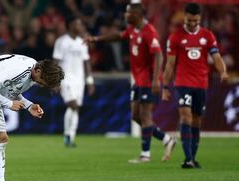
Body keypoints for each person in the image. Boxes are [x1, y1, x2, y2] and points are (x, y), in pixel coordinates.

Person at [85, 3, 176, 163]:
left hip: (148, 81)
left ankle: (145, 154)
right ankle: (167, 139)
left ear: (137, 14)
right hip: (138, 80)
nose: (126, 16)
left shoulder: (149, 32)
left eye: (128, 13)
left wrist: (156, 80)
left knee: (146, 116)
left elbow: (158, 56)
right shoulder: (132, 29)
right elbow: (118, 36)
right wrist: (96, 38)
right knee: (135, 116)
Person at [162, 3, 228, 169]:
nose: (192, 24)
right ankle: (188, 159)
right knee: (186, 116)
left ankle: (193, 156)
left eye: (195, 21)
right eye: (189, 20)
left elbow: (217, 57)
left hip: (201, 84)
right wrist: (164, 87)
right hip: (183, 83)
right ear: (184, 17)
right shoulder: (175, 37)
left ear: (200, 19)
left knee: (197, 121)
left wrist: (223, 72)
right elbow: (170, 65)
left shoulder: (208, 36)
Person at [53, 16, 95, 147]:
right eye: (78, 24)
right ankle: (68, 134)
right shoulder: (61, 42)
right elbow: (56, 62)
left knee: (75, 109)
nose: (81, 27)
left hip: (79, 80)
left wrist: (90, 81)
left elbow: (86, 62)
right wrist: (55, 80)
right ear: (70, 25)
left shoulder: (82, 42)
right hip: (66, 78)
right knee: (73, 105)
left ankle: (70, 137)